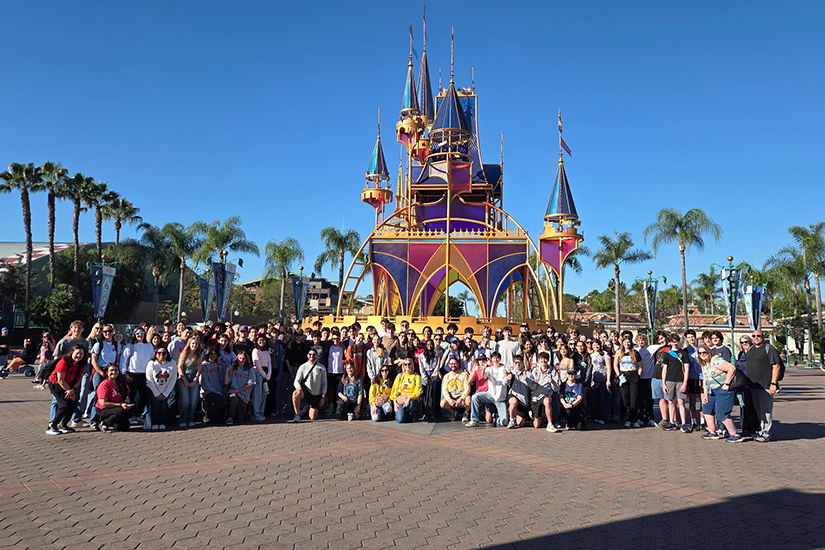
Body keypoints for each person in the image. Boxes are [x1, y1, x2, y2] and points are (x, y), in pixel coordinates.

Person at [696, 345, 743, 443]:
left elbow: (732, 368)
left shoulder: (716, 360)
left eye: (704, 352)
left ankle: (735, 434)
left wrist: (727, 383)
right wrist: (705, 394)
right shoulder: (704, 364)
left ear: (709, 352)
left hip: (723, 389)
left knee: (722, 412)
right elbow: (705, 379)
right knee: (707, 409)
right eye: (700, 353)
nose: (702, 355)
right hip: (711, 389)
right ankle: (712, 432)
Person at [745, 329, 782, 442]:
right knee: (758, 409)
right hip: (753, 385)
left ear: (763, 337)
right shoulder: (750, 349)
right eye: (754, 336)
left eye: (758, 336)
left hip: (765, 384)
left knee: (766, 410)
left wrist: (773, 383)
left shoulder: (769, 349)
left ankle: (766, 432)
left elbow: (776, 366)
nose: (756, 338)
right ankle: (762, 430)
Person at [46, 345, 88, 435]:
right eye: (77, 353)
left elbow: (79, 379)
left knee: (73, 404)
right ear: (72, 353)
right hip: (56, 384)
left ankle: (64, 425)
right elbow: (60, 380)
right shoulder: (63, 362)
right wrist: (70, 391)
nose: (79, 356)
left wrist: (73, 389)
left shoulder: (82, 364)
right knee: (64, 405)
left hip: (70, 385)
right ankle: (52, 426)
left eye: (81, 354)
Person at [87, 325, 120, 429]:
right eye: (105, 331)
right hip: (100, 371)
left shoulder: (117, 345)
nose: (107, 333)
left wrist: (114, 371)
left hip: (112, 372)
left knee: (110, 396)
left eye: (109, 331)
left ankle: (105, 420)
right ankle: (93, 420)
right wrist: (101, 373)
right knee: (98, 396)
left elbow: (118, 360)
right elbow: (94, 361)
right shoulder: (98, 345)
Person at [465, 352, 509, 428]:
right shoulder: (489, 369)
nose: (496, 360)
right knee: (475, 397)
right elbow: (484, 375)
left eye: (497, 358)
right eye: (494, 358)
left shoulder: (504, 368)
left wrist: (508, 375)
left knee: (504, 422)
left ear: (500, 359)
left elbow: (508, 378)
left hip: (501, 398)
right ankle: (474, 420)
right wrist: (483, 369)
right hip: (490, 395)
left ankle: (497, 418)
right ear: (492, 359)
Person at [120, 326, 154, 425]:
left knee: (144, 396)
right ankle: (130, 416)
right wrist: (124, 373)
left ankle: (138, 415)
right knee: (131, 397)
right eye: (138, 333)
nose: (140, 335)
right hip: (132, 374)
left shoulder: (149, 346)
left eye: (142, 333)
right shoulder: (129, 346)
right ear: (134, 335)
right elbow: (123, 360)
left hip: (145, 375)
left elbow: (152, 359)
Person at [661, 333, 691, 433]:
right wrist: (663, 383)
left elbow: (686, 369)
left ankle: (683, 423)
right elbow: (664, 369)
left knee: (681, 402)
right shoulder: (667, 354)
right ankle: (672, 421)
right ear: (670, 342)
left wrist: (685, 383)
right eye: (673, 341)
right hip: (670, 380)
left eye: (676, 341)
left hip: (680, 380)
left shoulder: (683, 353)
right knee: (671, 401)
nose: (675, 343)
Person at [613, 338, 642, 428]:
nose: (627, 343)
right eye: (625, 342)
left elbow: (640, 366)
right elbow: (615, 365)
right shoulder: (618, 353)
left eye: (628, 342)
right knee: (625, 398)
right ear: (623, 343)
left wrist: (638, 376)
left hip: (633, 375)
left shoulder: (635, 353)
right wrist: (618, 375)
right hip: (623, 375)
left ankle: (634, 419)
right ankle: (628, 418)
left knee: (634, 398)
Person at [290, 349, 327, 422]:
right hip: (306, 391)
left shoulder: (321, 367)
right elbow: (296, 381)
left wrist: (323, 397)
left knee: (313, 417)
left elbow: (324, 383)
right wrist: (299, 388)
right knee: (295, 394)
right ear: (307, 355)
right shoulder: (303, 366)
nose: (312, 356)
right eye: (310, 354)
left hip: (316, 394)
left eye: (314, 354)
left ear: (317, 356)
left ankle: (307, 408)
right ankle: (297, 415)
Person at [95, 364, 134, 432]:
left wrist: (127, 404)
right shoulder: (104, 384)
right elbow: (103, 403)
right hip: (104, 409)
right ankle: (104, 423)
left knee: (124, 427)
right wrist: (120, 405)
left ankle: (112, 422)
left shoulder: (122, 383)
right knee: (120, 411)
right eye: (111, 370)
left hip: (118, 406)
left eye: (116, 370)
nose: (114, 372)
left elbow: (127, 396)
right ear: (107, 372)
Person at [146, 347, 177, 430]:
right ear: (156, 354)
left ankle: (162, 422)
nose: (161, 355)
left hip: (166, 388)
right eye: (159, 353)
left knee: (164, 406)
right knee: (155, 405)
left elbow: (173, 379)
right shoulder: (151, 364)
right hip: (153, 388)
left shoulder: (172, 363)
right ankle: (155, 423)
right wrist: (157, 394)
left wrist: (165, 393)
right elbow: (149, 380)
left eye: (164, 353)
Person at [176, 337, 202, 428]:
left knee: (193, 401)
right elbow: (179, 367)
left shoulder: (198, 356)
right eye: (193, 343)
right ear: (189, 344)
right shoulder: (184, 354)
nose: (194, 345)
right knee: (185, 400)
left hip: (194, 377)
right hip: (184, 377)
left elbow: (199, 369)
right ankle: (183, 419)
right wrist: (185, 381)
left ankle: (190, 419)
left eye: (196, 344)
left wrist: (195, 380)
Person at [531, 351, 560, 432]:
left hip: (546, 394)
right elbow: (531, 387)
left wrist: (553, 382)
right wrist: (534, 382)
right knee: (536, 425)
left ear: (548, 360)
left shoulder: (552, 372)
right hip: (536, 397)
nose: (543, 361)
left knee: (547, 401)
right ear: (538, 360)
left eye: (545, 359)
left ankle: (550, 424)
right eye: (541, 359)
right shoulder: (535, 371)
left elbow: (556, 389)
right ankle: (536, 415)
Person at [225, 351, 256, 425]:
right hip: (233, 393)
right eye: (239, 358)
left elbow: (249, 385)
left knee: (240, 419)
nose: (241, 360)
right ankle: (230, 418)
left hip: (244, 396)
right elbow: (226, 382)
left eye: (243, 359)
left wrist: (237, 390)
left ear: (246, 360)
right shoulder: (234, 369)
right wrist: (227, 371)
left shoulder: (250, 370)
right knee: (233, 399)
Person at [683, 329, 704, 431]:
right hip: (691, 378)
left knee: (703, 401)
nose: (691, 339)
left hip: (702, 377)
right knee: (692, 401)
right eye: (689, 337)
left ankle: (703, 421)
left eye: (693, 337)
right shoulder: (685, 351)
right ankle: (693, 421)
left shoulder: (701, 349)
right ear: (686, 339)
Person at [506, 355, 534, 429]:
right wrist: (507, 378)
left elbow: (532, 386)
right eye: (516, 362)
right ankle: (511, 420)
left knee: (520, 423)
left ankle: (518, 416)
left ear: (522, 363)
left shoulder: (527, 374)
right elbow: (504, 383)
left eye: (519, 363)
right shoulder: (510, 373)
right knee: (513, 402)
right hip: (513, 394)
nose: (518, 364)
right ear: (513, 363)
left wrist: (527, 380)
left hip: (523, 401)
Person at [200, 347, 227, 424]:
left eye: (214, 354)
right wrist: (215, 391)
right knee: (221, 400)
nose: (213, 356)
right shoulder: (204, 366)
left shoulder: (218, 366)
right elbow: (204, 382)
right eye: (211, 354)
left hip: (217, 391)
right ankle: (207, 414)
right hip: (208, 391)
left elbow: (221, 380)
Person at [390, 359, 421, 423]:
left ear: (412, 365)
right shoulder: (399, 376)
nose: (407, 366)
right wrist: (395, 403)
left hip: (411, 399)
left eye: (409, 364)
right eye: (405, 364)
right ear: (403, 366)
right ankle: (403, 414)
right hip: (401, 399)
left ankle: (412, 414)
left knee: (412, 405)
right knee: (400, 420)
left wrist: (409, 399)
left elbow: (418, 391)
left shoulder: (416, 377)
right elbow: (394, 391)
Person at [440, 357, 470, 422]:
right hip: (452, 396)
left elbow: (467, 388)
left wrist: (461, 399)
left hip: (461, 397)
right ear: (449, 365)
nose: (453, 365)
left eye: (455, 363)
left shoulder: (464, 374)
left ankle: (465, 414)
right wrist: (449, 399)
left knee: (469, 400)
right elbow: (444, 390)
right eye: (451, 364)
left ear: (458, 364)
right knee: (442, 403)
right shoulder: (446, 376)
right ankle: (453, 412)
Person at [589, 339, 612, 425]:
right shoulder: (590, 355)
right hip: (593, 380)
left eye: (597, 345)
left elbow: (609, 367)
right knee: (595, 399)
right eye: (594, 345)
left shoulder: (604, 354)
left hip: (603, 379)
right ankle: (596, 416)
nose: (596, 346)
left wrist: (608, 379)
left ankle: (603, 417)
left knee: (603, 399)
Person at [251, 334, 272, 422]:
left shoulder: (267, 351)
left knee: (264, 394)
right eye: (260, 340)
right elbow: (257, 363)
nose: (261, 342)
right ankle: (256, 414)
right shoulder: (255, 350)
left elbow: (269, 363)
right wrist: (264, 375)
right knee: (257, 395)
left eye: (263, 340)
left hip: (266, 374)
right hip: (258, 374)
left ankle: (261, 412)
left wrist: (268, 375)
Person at [419, 338, 440, 421]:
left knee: (432, 395)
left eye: (431, 344)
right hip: (425, 375)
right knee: (424, 395)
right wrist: (425, 378)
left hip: (433, 375)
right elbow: (421, 368)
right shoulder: (422, 355)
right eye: (428, 344)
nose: (430, 346)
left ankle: (431, 414)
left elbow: (437, 367)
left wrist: (433, 378)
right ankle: (425, 413)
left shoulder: (436, 355)